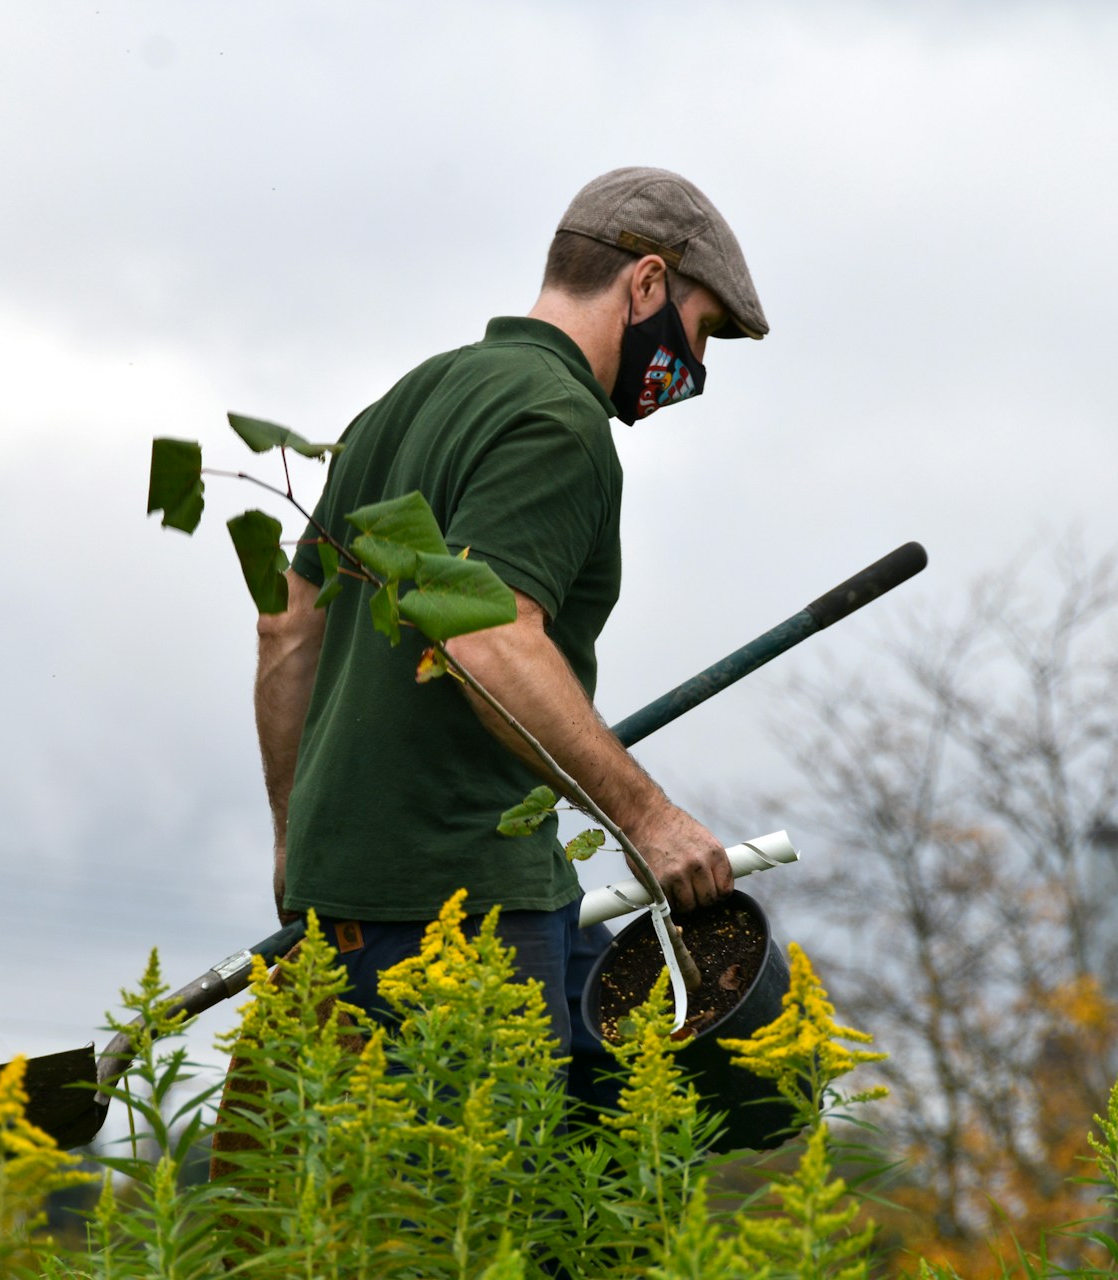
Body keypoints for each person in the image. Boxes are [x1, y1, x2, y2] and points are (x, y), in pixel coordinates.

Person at [252, 167, 768, 1101]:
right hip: (468, 905)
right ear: (646, 285)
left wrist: (299, 842)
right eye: (703, 332)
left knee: (620, 1148)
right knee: (475, 1225)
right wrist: (650, 821)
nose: (695, 368)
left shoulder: (406, 403)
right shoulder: (558, 420)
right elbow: (486, 638)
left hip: (358, 909)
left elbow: (289, 629)